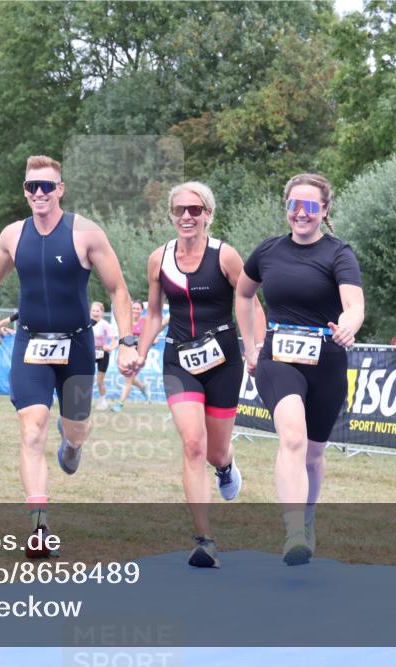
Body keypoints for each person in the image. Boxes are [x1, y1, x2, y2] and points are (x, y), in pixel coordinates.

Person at [0, 155, 137, 557]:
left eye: (47, 186)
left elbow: (119, 290)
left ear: (60, 189)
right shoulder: (12, 236)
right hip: (31, 344)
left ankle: (71, 446)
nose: (39, 193)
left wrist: (126, 341)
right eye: (31, 186)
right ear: (24, 191)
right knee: (32, 430)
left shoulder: (86, 233)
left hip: (76, 345)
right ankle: (39, 528)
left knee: (75, 433)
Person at [134, 181, 267, 568]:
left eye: (195, 210)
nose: (187, 217)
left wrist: (254, 348)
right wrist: (139, 351)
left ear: (208, 214)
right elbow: (155, 313)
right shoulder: (158, 259)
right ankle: (204, 539)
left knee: (214, 450)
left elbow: (251, 305)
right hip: (179, 360)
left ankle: (225, 466)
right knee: (192, 444)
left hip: (224, 360)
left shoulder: (225, 256)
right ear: (172, 215)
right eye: (180, 210)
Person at [236, 173, 364, 567]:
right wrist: (251, 343)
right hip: (278, 359)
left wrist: (348, 325)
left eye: (310, 206)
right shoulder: (268, 251)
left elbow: (355, 304)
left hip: (326, 361)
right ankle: (293, 531)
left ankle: (307, 519)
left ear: (324, 210)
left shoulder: (339, 254)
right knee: (292, 437)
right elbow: (243, 293)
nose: (301, 213)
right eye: (294, 205)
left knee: (313, 453)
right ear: (286, 208)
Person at [110, 301, 156, 412]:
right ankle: (143, 387)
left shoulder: (145, 322)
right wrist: (112, 348)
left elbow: (153, 338)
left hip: (138, 356)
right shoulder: (127, 322)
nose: (135, 310)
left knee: (128, 379)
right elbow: (121, 338)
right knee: (129, 378)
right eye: (133, 308)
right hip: (126, 354)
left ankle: (119, 405)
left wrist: (143, 340)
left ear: (142, 310)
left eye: (137, 308)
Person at [90, 301, 117, 409]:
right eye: (93, 310)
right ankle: (86, 400)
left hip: (102, 354)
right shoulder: (87, 323)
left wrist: (110, 347)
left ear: (102, 312)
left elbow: (115, 341)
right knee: (86, 378)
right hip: (90, 353)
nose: (95, 313)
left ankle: (102, 400)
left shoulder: (105, 324)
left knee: (99, 380)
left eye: (97, 311)